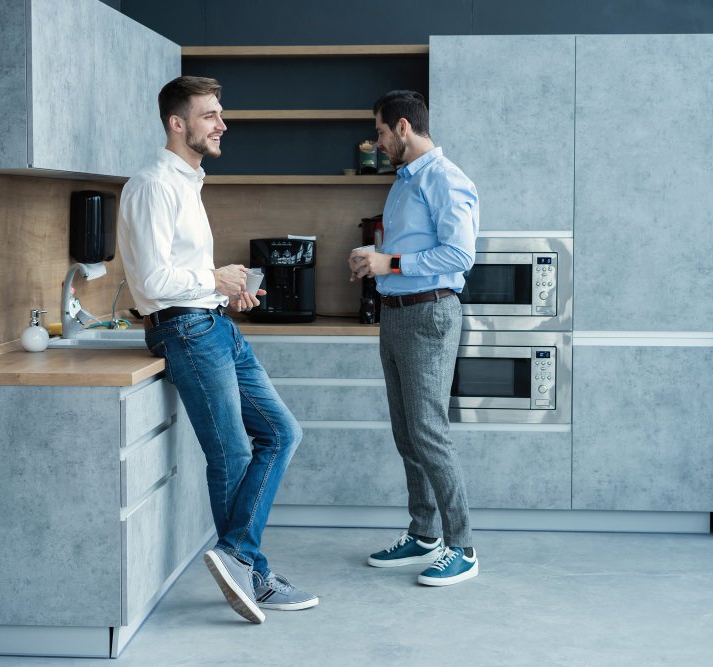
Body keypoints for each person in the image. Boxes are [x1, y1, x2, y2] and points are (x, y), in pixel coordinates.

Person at [117, 76, 317, 624]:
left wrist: (225, 289)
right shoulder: (153, 184)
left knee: (281, 433)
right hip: (184, 329)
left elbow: (179, 274)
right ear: (178, 124)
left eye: (220, 113)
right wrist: (212, 276)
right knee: (232, 452)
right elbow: (155, 281)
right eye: (210, 115)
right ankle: (251, 573)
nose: (222, 124)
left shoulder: (188, 184)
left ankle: (236, 556)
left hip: (212, 323)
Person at [348, 90, 480, 586]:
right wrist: (374, 259)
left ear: (403, 127)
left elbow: (459, 256)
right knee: (407, 434)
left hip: (429, 317)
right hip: (398, 314)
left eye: (380, 132)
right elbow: (409, 248)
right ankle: (424, 533)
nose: (377, 143)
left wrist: (392, 263)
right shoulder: (405, 182)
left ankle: (462, 546)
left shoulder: (445, 179)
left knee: (428, 432)